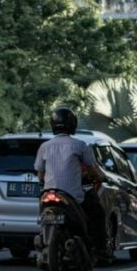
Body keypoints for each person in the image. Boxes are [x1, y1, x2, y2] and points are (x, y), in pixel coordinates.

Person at [33, 106, 110, 261]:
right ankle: (101, 249)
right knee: (97, 212)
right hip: (73, 196)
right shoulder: (80, 145)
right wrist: (101, 178)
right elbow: (93, 169)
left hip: (48, 194)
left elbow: (40, 174)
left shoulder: (44, 146)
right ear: (72, 124)